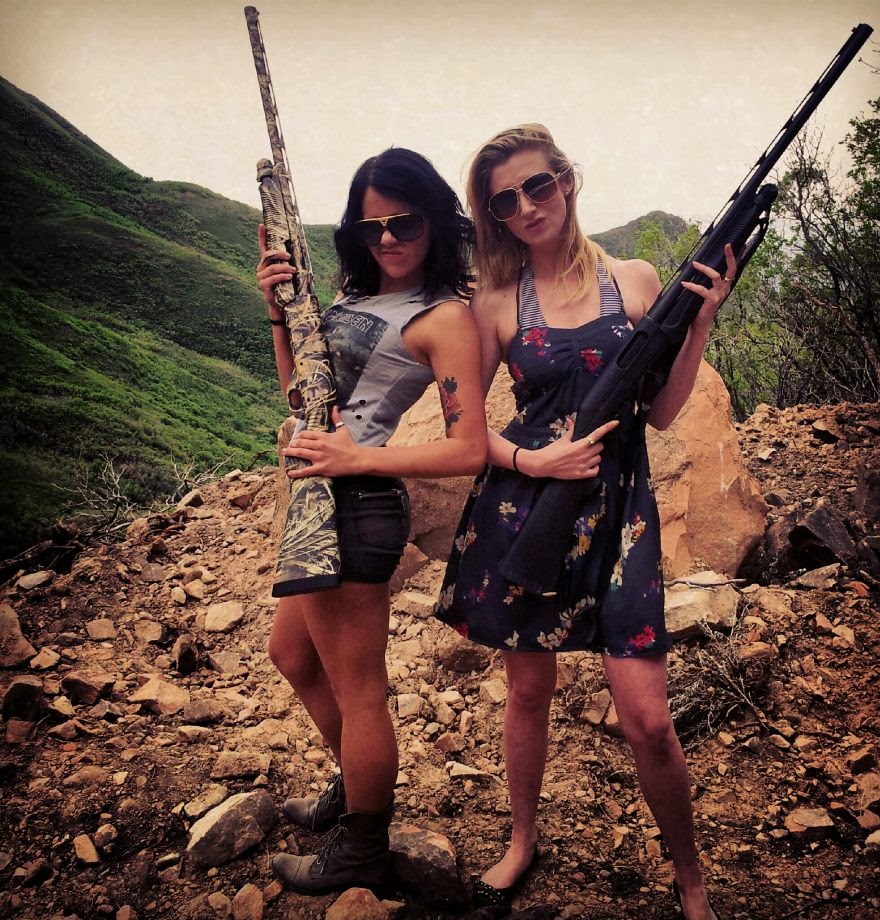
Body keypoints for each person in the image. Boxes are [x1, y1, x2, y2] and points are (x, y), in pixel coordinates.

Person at [435, 124, 733, 920]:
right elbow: (466, 433)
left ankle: (691, 879)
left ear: (566, 181)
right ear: (494, 216)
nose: (527, 207)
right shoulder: (495, 304)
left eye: (538, 186)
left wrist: (701, 323)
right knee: (528, 688)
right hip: (526, 506)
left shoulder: (634, 281)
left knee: (649, 719)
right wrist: (535, 462)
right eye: (505, 201)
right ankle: (521, 841)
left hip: (620, 512)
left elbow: (660, 414)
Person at [257, 147, 487, 895]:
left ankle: (363, 849)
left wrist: (361, 458)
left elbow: (469, 448)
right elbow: (304, 397)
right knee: (291, 655)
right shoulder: (357, 297)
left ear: (435, 222)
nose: (387, 238)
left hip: (360, 505)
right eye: (372, 225)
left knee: (360, 690)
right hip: (318, 499)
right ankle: (356, 787)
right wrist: (280, 312)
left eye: (405, 223)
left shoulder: (444, 317)